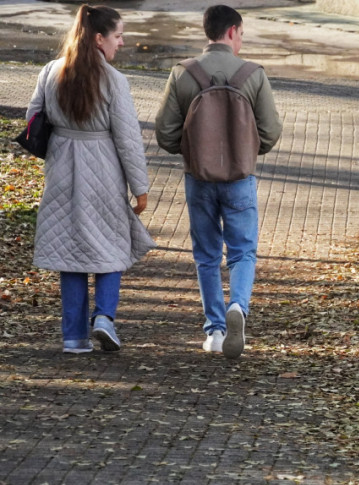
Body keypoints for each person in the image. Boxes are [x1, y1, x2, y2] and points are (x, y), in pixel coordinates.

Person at [26, 4, 155, 354]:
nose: (122, 43)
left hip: (61, 170)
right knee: (112, 245)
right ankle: (104, 319)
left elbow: (33, 116)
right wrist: (140, 188)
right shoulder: (113, 80)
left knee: (70, 253)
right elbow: (127, 139)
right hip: (103, 171)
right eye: (118, 36)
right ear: (100, 39)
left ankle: (73, 338)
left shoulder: (51, 71)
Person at [155, 4, 282, 358]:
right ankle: (238, 306)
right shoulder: (253, 74)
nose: (242, 40)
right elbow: (270, 134)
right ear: (231, 32)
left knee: (207, 255)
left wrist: (193, 148)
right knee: (242, 252)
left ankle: (214, 330)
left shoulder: (183, 74)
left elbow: (165, 134)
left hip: (199, 178)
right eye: (241, 33)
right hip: (240, 177)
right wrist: (246, 147)